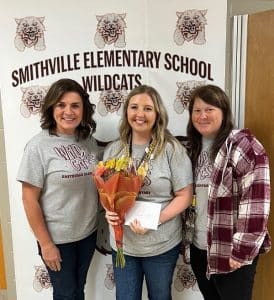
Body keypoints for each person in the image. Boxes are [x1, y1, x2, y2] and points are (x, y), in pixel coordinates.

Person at [104, 84, 193, 300]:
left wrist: (157, 220)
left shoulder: (172, 150)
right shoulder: (114, 149)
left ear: (157, 114)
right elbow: (107, 193)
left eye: (147, 108)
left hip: (161, 245)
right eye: (134, 107)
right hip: (124, 245)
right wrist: (109, 210)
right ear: (127, 112)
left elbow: (185, 195)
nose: (140, 114)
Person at [186, 84, 271, 300]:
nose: (202, 116)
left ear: (224, 112)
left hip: (230, 251)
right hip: (200, 248)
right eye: (197, 111)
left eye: (209, 109)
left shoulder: (243, 146)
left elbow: (256, 201)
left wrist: (242, 250)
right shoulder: (192, 149)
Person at [17, 78, 99, 300]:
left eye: (75, 105)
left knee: (77, 289)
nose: (68, 111)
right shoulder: (38, 146)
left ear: (83, 109)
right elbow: (28, 199)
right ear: (51, 107)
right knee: (65, 294)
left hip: (87, 234)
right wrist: (46, 244)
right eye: (61, 105)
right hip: (57, 238)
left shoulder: (88, 142)